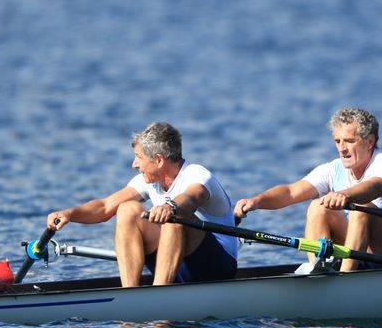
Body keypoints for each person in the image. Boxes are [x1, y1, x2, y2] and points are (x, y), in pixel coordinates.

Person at [233, 107, 382, 270]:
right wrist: (256, 201)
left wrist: (344, 195)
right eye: (338, 141)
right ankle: (320, 268)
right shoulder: (333, 169)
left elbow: (375, 187)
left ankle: (345, 279)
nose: (342, 148)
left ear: (370, 142)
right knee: (318, 206)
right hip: (366, 248)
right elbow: (291, 192)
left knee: (362, 208)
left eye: (350, 141)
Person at [47, 122, 238, 287]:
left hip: (216, 265)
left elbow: (192, 197)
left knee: (177, 215)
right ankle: (131, 295)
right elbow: (105, 207)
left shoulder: (196, 174)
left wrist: (169, 206)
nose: (134, 164)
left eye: (139, 157)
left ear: (159, 160)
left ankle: (158, 296)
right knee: (127, 209)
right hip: (177, 260)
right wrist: (69, 214)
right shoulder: (148, 181)